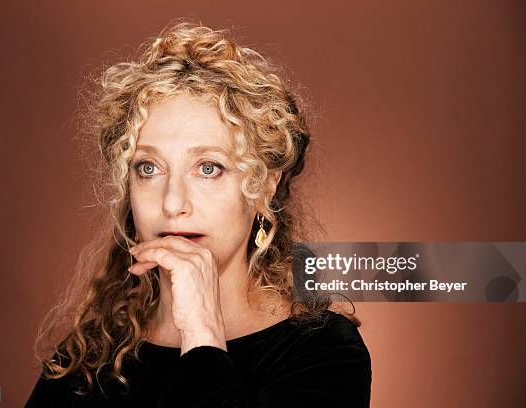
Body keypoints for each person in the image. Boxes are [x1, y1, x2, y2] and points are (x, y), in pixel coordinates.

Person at [25, 20, 371, 408]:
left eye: (208, 168)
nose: (172, 204)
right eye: (148, 168)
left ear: (264, 185)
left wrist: (203, 334)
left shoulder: (323, 350)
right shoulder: (90, 353)